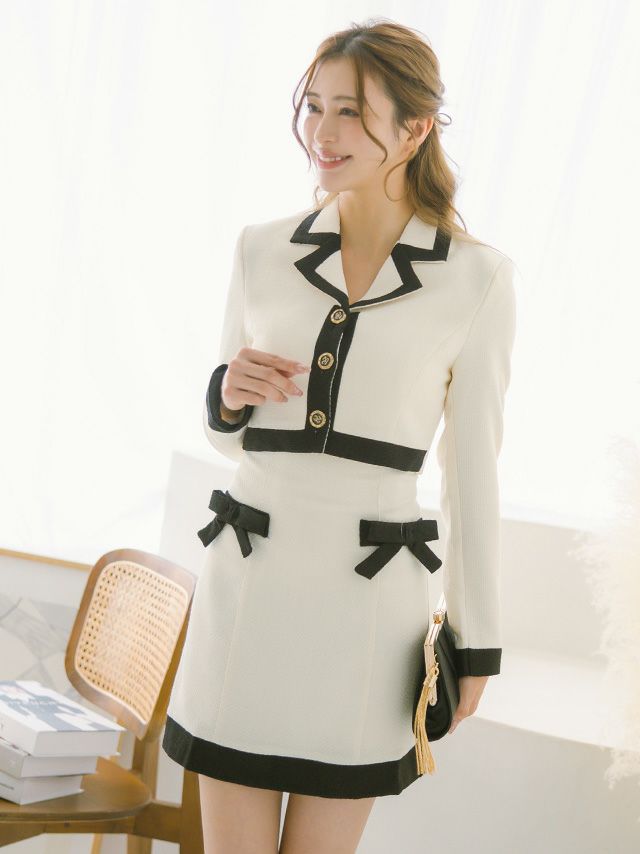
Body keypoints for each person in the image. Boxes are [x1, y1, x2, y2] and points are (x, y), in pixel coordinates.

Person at [162, 17, 517, 854]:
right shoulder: (261, 250)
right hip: (249, 588)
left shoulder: (476, 279)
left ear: (415, 128)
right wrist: (227, 396)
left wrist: (477, 643)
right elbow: (231, 438)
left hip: (367, 609)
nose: (323, 131)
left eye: (351, 111)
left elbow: (473, 475)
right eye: (314, 106)